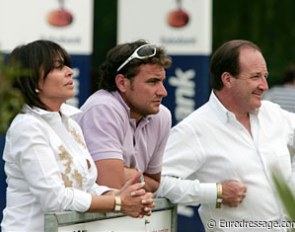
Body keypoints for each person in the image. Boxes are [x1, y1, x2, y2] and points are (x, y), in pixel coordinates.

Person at [1, 40, 154, 232]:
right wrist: (117, 203)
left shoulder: (71, 122)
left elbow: (86, 187)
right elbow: (54, 199)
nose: (70, 71)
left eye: (66, 65)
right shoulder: (27, 127)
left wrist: (121, 195)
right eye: (58, 67)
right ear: (33, 80)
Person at [156, 39, 295, 232]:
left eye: (265, 76)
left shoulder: (273, 113)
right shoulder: (195, 129)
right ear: (227, 79)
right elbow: (158, 182)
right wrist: (215, 193)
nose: (264, 85)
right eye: (255, 77)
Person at [75, 39, 172, 193]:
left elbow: (154, 183)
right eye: (153, 82)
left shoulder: (162, 115)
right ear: (122, 83)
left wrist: (124, 173)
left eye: (162, 81)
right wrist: (135, 176)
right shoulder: (102, 108)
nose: (163, 92)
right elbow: (111, 187)